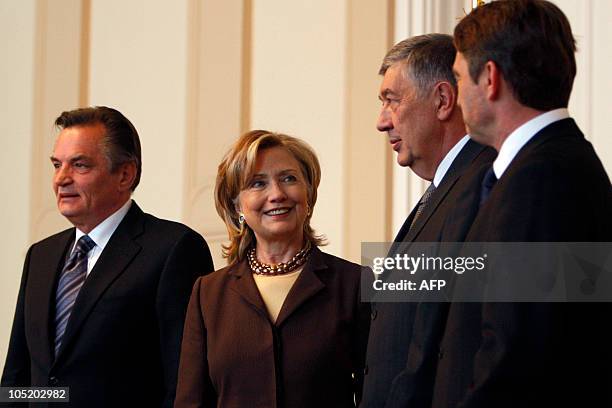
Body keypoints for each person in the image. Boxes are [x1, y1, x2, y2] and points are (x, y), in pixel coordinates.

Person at [432, 1, 612, 406]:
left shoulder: (541, 178)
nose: (457, 96)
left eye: (459, 79)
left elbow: (517, 352)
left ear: (490, 78)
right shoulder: (555, 165)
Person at [1, 106, 214, 407]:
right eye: (56, 165)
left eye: (80, 165)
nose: (61, 178)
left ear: (125, 174)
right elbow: (17, 379)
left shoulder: (173, 249)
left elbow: (183, 383)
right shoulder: (41, 255)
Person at [174, 130, 370, 407]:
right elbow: (191, 401)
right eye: (257, 183)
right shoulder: (207, 293)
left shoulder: (355, 284)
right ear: (236, 205)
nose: (277, 194)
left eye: (289, 179)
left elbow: (375, 393)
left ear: (309, 193)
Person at [362, 34, 496, 407]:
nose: (381, 122)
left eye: (392, 100)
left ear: (442, 100)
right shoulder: (444, 191)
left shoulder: (484, 184)